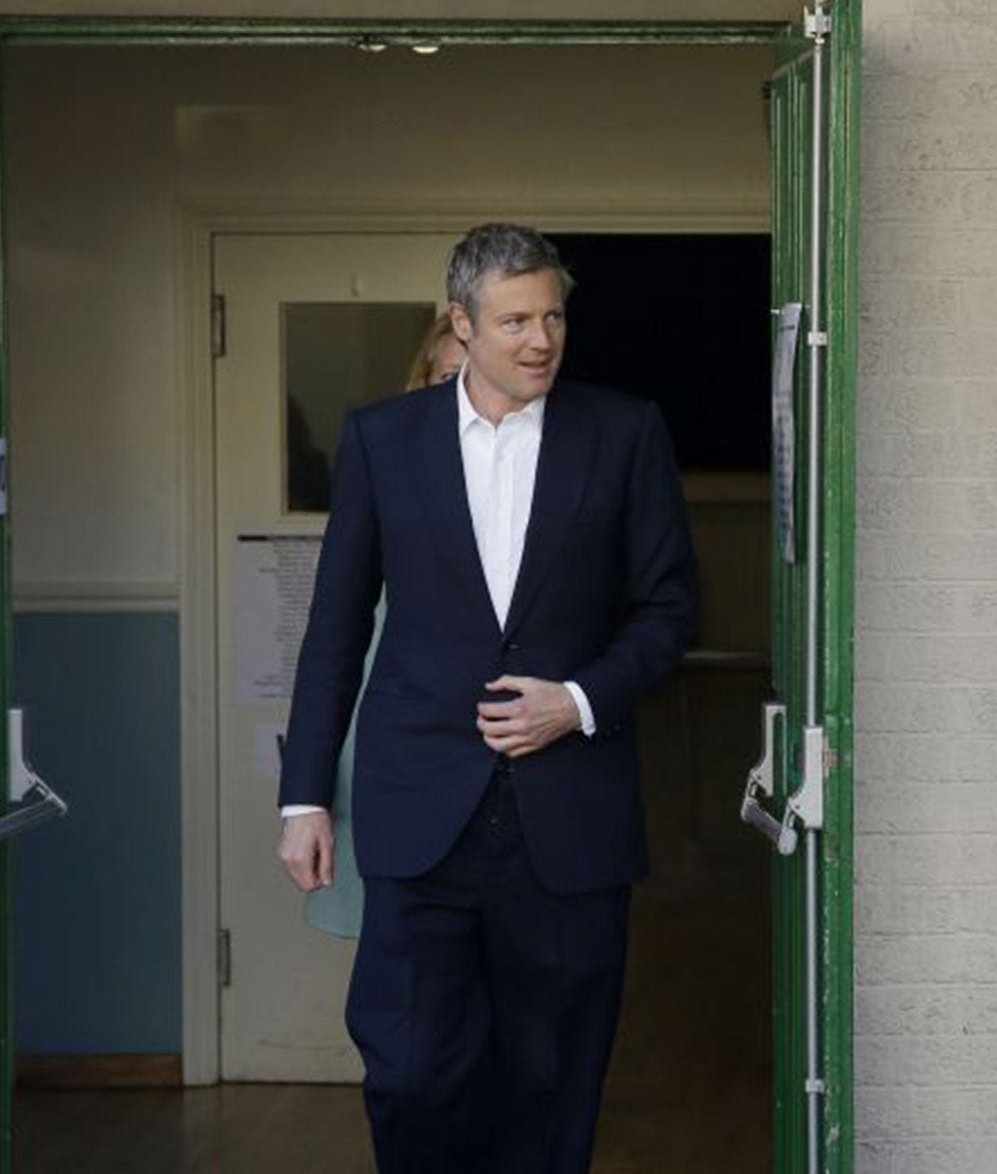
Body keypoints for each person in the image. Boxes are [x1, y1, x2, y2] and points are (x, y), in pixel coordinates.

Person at [276, 224, 698, 1174]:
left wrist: (579, 699)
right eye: (515, 320)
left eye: (553, 317)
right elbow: (337, 627)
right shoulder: (383, 439)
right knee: (411, 1069)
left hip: (569, 817)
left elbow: (670, 610)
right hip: (420, 810)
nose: (541, 339)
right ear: (460, 324)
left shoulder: (624, 431)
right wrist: (304, 797)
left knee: (550, 1083)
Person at [303, 312, 468, 941]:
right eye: (451, 376)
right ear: (420, 382)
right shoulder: (384, 469)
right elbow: (337, 639)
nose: (466, 394)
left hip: (489, 769)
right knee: (397, 973)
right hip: (381, 758)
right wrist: (312, 795)